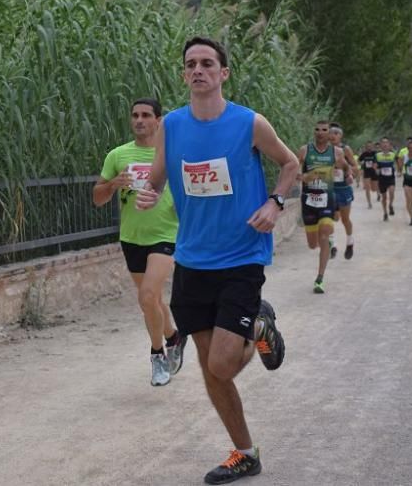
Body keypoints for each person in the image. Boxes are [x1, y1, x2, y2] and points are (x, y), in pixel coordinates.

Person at [135, 37, 298, 484]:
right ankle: (245, 453)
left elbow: (289, 164)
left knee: (223, 364)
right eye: (191, 64)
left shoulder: (249, 123)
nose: (199, 70)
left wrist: (275, 203)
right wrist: (150, 191)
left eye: (208, 63)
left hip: (241, 256)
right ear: (184, 74)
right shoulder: (171, 124)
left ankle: (259, 325)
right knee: (212, 370)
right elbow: (160, 171)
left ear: (224, 73)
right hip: (192, 260)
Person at [94, 98, 185, 387]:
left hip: (167, 234)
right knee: (153, 301)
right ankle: (173, 336)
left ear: (159, 120)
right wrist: (112, 185)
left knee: (147, 296)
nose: (139, 120)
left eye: (146, 115)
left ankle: (157, 356)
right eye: (135, 115)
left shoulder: (172, 154)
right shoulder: (118, 155)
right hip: (132, 237)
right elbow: (97, 197)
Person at [297, 121, 351, 293]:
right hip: (309, 200)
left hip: (327, 199)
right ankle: (325, 246)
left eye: (324, 130)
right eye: (317, 129)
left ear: (329, 133)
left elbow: (346, 166)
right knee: (313, 244)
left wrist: (348, 175)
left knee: (326, 232)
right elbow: (295, 173)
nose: (320, 132)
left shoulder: (337, 152)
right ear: (314, 132)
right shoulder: (305, 150)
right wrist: (305, 177)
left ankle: (320, 278)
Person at [328, 123, 360, 260]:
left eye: (336, 133)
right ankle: (333, 246)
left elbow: (355, 166)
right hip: (329, 189)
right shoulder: (323, 150)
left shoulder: (345, 149)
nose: (333, 135)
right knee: (330, 218)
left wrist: (351, 174)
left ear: (341, 136)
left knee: (345, 219)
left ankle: (350, 242)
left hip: (343, 189)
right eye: (331, 132)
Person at [375, 137, 398, 221]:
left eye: (386, 143)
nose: (385, 144)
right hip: (382, 179)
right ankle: (385, 213)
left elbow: (398, 162)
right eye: (383, 143)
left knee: (392, 192)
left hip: (391, 178)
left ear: (389, 145)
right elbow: (375, 165)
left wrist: (399, 170)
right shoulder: (377, 155)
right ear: (381, 145)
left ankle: (391, 205)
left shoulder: (393, 154)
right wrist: (376, 169)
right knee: (384, 197)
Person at [358, 141, 378, 209]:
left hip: (374, 172)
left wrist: (377, 166)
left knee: (374, 189)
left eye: (370, 146)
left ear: (372, 147)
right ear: (366, 147)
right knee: (367, 188)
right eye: (368, 146)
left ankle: (378, 193)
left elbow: (378, 161)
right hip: (367, 172)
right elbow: (359, 160)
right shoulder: (364, 154)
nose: (369, 148)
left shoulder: (375, 153)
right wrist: (361, 163)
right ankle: (369, 203)